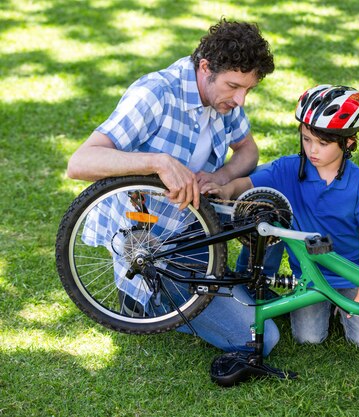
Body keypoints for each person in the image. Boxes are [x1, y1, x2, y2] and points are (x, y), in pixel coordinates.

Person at [66, 19, 279, 356]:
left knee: (275, 191)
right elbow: (80, 163)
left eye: (248, 90)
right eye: (234, 86)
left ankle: (246, 287)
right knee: (262, 339)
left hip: (198, 234)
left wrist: (222, 177)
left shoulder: (224, 99)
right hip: (153, 254)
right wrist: (157, 162)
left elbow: (248, 152)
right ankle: (149, 302)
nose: (240, 99)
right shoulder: (156, 93)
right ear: (205, 68)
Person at [204, 85, 359, 348]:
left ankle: (343, 304)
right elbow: (249, 184)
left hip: (349, 276)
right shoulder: (288, 169)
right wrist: (226, 188)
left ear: (348, 143)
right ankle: (324, 305)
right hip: (309, 278)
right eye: (307, 139)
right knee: (308, 338)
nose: (313, 150)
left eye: (323, 143)